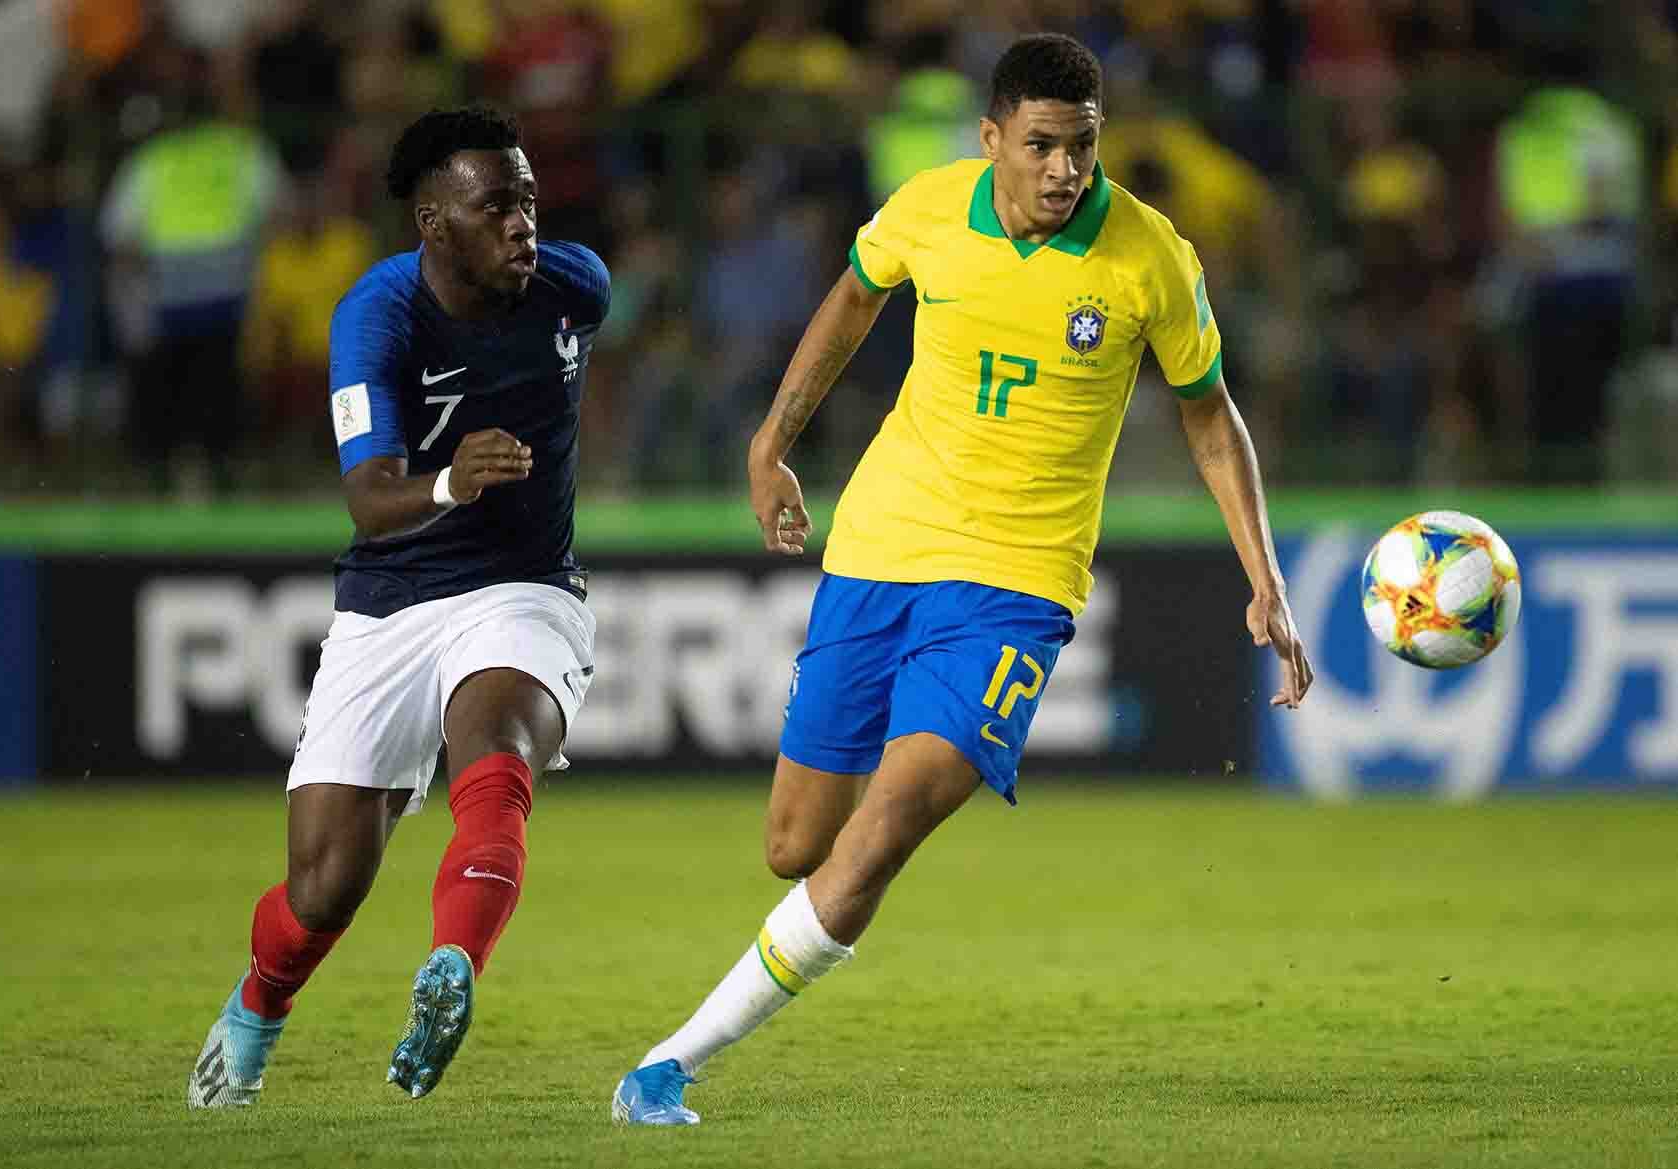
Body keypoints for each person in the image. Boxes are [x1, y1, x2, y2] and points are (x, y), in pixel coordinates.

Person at [612, 34, 1312, 1125]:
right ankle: (719, 1011)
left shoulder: (1148, 256)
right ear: (991, 139)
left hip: (1015, 588)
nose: (1064, 170)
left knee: (884, 828)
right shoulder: (928, 209)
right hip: (880, 549)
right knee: (796, 846)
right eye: (1039, 145)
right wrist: (771, 440)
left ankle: (667, 1062)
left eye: (1081, 147)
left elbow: (1207, 414)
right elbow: (852, 297)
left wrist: (1261, 575)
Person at [189, 106, 609, 1108]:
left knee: (496, 750)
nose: (523, 223)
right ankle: (255, 1007)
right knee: (324, 886)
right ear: (433, 221)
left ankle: (451, 966)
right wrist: (449, 482)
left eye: (529, 200)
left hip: (524, 585)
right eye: (495, 205)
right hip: (392, 593)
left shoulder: (572, 286)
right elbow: (369, 500)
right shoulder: (375, 318)